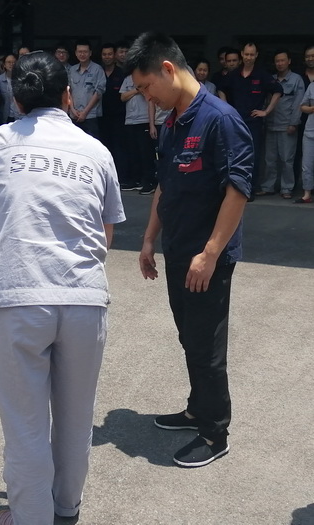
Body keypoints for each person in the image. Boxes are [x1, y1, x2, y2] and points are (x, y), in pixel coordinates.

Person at [0, 51, 125, 525]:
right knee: (75, 420)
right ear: (68, 96)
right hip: (83, 298)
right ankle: (66, 510)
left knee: (26, 427)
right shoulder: (96, 152)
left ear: (16, 100)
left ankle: (31, 517)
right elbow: (105, 235)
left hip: (17, 297)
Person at [127, 32, 253, 468]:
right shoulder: (172, 123)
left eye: (146, 87)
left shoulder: (220, 119)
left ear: (167, 69)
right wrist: (149, 239)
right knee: (189, 337)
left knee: (206, 347)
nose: (146, 97)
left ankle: (215, 433)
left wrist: (211, 253)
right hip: (178, 250)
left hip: (206, 259)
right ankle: (198, 409)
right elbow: (165, 185)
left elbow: (238, 190)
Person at [218, 42, 283, 197]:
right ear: (242, 54)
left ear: (256, 55)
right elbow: (221, 89)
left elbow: (278, 91)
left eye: (252, 55)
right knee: (234, 156)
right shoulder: (234, 74)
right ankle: (234, 188)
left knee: (253, 156)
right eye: (246, 54)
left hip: (254, 123)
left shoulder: (262, 75)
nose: (248, 57)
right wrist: (226, 109)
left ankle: (250, 190)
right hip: (236, 122)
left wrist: (266, 111)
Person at [262, 49, 305, 199]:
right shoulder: (271, 80)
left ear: (289, 61)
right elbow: (266, 102)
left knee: (287, 159)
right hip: (271, 124)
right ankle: (268, 186)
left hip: (287, 125)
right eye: (277, 61)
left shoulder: (296, 80)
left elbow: (298, 103)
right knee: (269, 159)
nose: (280, 63)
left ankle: (287, 188)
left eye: (282, 60)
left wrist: (294, 123)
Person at [120, 73, 154, 191]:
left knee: (145, 153)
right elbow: (122, 97)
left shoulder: (147, 77)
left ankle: (148, 181)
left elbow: (149, 96)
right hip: (130, 120)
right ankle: (135, 180)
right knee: (132, 152)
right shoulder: (127, 79)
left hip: (144, 119)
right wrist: (136, 90)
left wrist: (140, 90)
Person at [99, 43, 128, 180]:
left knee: (120, 148)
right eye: (104, 54)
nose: (107, 57)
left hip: (119, 116)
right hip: (101, 116)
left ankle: (121, 177)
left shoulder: (122, 73)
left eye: (110, 54)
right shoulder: (98, 71)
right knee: (104, 147)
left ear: (114, 55)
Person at [68, 39, 106, 138]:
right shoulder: (72, 70)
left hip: (91, 116)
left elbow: (99, 92)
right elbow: (68, 91)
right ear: (76, 53)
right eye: (80, 52)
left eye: (85, 52)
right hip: (74, 115)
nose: (82, 54)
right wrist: (72, 109)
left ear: (90, 53)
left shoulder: (97, 69)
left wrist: (85, 112)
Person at [298, 80, 314, 203]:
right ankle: (307, 194)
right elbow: (302, 106)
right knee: (306, 165)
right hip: (310, 132)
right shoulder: (312, 86)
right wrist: (312, 108)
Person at [0, 54, 23, 123]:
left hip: (20, 115)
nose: (11, 64)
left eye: (14, 62)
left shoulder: (22, 79)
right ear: (4, 65)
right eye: (8, 62)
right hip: (5, 115)